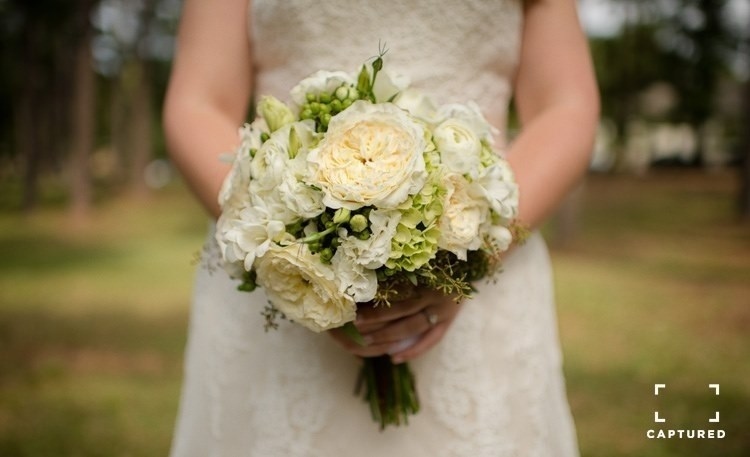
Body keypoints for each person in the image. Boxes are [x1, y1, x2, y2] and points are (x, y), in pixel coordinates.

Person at [163, 0, 599, 456]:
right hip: (281, 291)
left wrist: (470, 256)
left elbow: (564, 105)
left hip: (483, 271)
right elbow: (198, 102)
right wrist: (288, 240)